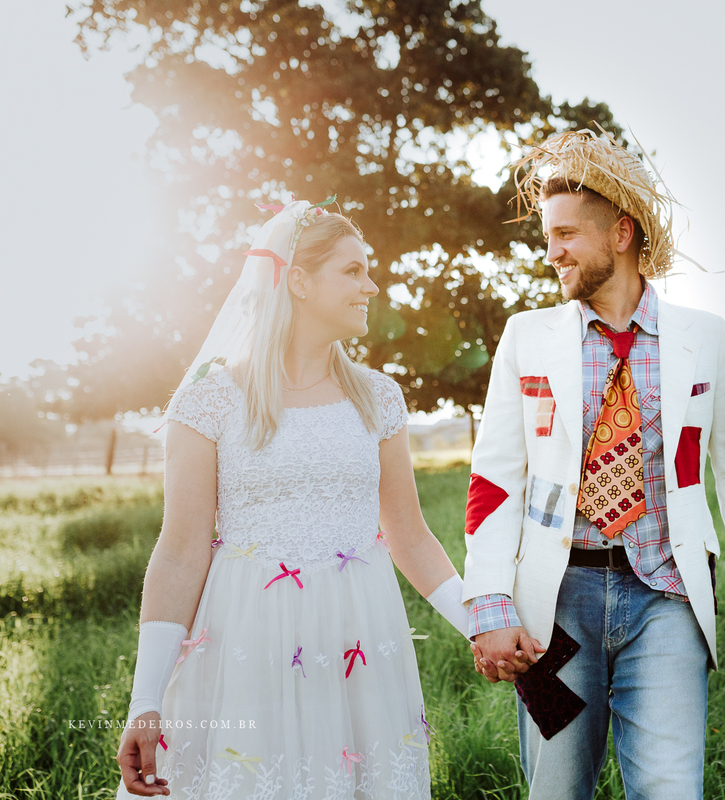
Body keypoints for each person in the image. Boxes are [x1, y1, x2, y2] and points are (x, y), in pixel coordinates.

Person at [461, 130, 725, 799]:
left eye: (565, 235)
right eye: (548, 237)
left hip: (665, 600)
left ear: (620, 233)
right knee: (557, 790)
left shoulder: (704, 339)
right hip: (554, 610)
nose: (551, 252)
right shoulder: (527, 338)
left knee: (673, 789)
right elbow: (494, 482)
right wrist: (491, 601)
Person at [115, 199, 468, 799]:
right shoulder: (211, 400)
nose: (371, 286)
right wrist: (145, 699)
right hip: (244, 646)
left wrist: (480, 627)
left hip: (358, 642)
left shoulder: (378, 398)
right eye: (352, 272)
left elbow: (410, 536)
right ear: (298, 281)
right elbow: (179, 552)